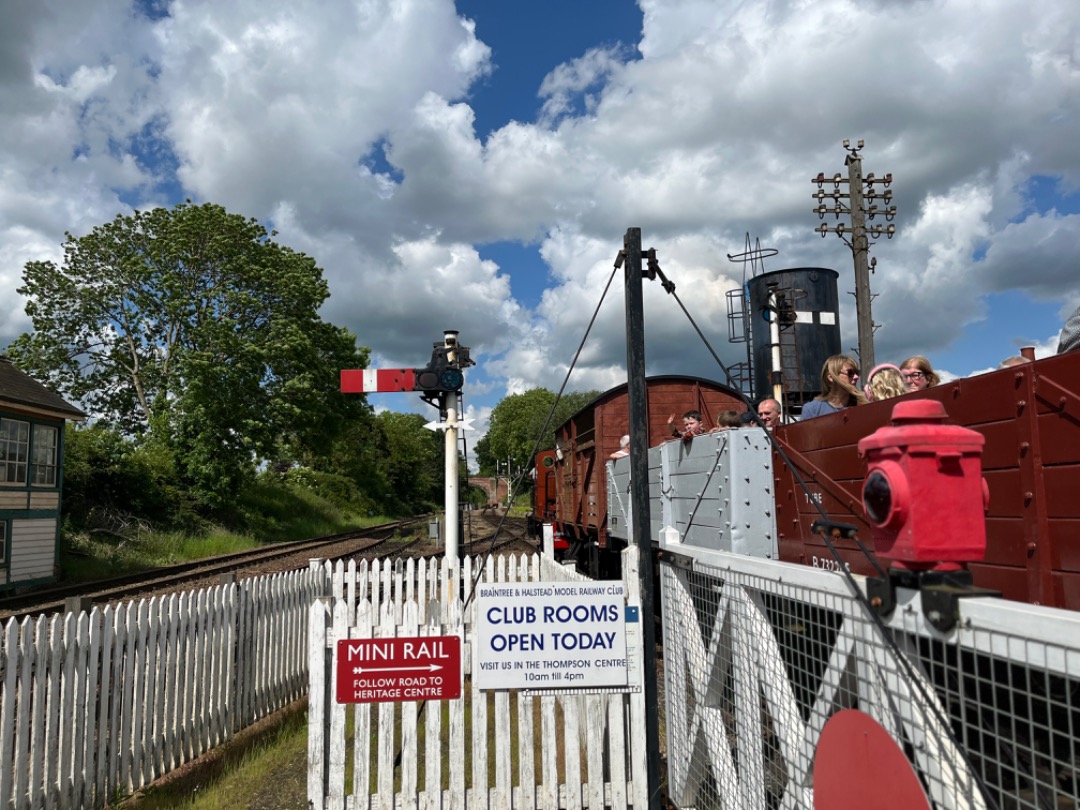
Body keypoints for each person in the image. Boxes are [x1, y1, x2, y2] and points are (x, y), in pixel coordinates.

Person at [801, 355, 866, 419]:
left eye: (857, 373)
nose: (856, 377)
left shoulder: (864, 406)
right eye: (850, 373)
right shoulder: (812, 410)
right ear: (831, 377)